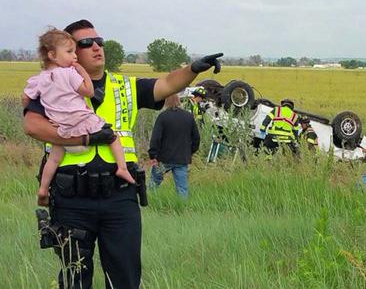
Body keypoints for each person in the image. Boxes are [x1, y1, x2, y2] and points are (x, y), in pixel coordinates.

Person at [23, 19, 223, 289]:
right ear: (69, 51)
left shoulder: (125, 87)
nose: (96, 47)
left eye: (99, 42)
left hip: (119, 198)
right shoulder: (52, 85)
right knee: (74, 279)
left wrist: (193, 69)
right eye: (85, 43)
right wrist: (83, 138)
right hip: (72, 200)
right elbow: (32, 126)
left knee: (125, 279)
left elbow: (166, 84)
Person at [22, 28, 135, 207]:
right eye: (69, 52)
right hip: (81, 122)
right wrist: (82, 72)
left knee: (53, 159)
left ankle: (43, 189)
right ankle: (122, 169)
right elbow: (88, 91)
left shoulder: (39, 79)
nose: (74, 56)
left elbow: (25, 99)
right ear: (52, 55)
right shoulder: (69, 73)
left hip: (61, 129)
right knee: (112, 137)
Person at [148, 94, 200, 198]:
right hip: (182, 159)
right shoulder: (188, 117)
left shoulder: (163, 117)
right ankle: (182, 209)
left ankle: (150, 203)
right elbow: (196, 138)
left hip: (163, 159)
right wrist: (190, 152)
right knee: (182, 189)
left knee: (154, 183)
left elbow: (156, 138)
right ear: (179, 101)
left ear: (166, 102)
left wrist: (153, 155)